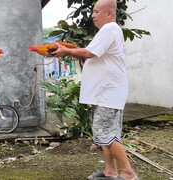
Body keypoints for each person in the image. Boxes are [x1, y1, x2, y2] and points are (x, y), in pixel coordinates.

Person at [50, 0, 139, 180]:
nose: (92, 15)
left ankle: (129, 173)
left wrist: (66, 50)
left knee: (105, 131)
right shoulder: (111, 31)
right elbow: (94, 57)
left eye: (96, 11)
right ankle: (110, 171)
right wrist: (83, 58)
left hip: (108, 92)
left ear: (109, 13)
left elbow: (90, 53)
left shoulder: (109, 29)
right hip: (104, 93)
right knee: (105, 132)